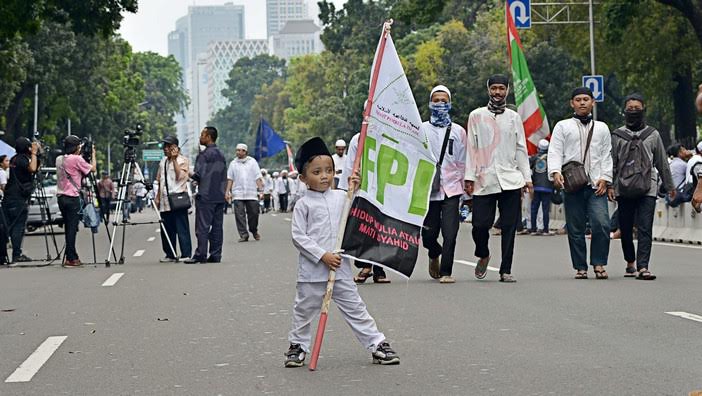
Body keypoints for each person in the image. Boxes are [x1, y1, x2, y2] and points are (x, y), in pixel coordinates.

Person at [284, 136, 399, 368]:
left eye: (328, 170)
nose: (324, 176)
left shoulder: (341, 198)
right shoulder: (303, 204)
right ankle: (297, 346)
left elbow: (357, 208)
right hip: (312, 274)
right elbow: (299, 237)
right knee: (304, 311)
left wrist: (356, 187)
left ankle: (377, 344)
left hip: (341, 271)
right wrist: (322, 255)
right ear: (303, 178)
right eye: (316, 172)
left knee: (356, 309)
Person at [464, 75, 532, 283]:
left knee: (509, 226)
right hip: (484, 178)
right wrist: (469, 176)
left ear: (507, 90)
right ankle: (483, 253)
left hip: (511, 178)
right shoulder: (476, 116)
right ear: (488, 90)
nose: (497, 92)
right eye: (494, 88)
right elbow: (471, 147)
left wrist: (527, 178)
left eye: (501, 88)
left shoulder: (513, 117)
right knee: (479, 225)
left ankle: (506, 269)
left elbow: (521, 148)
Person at [548, 87, 613, 280]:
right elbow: (555, 150)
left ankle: (599, 263)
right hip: (572, 183)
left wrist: (606, 178)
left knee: (602, 223)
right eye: (578, 99)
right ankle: (580, 267)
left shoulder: (602, 128)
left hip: (596, 185)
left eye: (586, 99)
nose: (582, 103)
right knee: (575, 227)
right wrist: (555, 172)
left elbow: (607, 154)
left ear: (593, 102)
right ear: (572, 103)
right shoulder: (562, 126)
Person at [609, 93, 674, 281]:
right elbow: (612, 162)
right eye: (630, 109)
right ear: (624, 111)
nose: (634, 112)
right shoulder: (617, 135)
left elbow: (662, 161)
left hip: (648, 188)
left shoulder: (653, 135)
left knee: (645, 227)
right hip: (623, 187)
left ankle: (643, 266)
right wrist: (611, 186)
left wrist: (669, 185)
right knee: (626, 227)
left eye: (637, 108)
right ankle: (630, 261)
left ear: (643, 110)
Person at [417, 85, 467, 284]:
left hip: (452, 188)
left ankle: (446, 271)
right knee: (428, 234)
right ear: (430, 103)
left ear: (450, 103)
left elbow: (463, 162)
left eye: (444, 101)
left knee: (450, 232)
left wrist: (466, 194)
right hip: (429, 190)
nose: (440, 104)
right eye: (436, 100)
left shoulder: (458, 131)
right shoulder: (421, 130)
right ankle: (433, 252)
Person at [185, 126, 227, 264]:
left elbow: (199, 175)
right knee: (217, 227)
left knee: (202, 227)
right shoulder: (221, 154)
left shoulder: (203, 155)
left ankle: (200, 254)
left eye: (202, 135)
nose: (200, 137)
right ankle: (216, 254)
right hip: (219, 195)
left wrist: (188, 173)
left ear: (208, 137)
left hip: (206, 195)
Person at [56, 135, 96, 267]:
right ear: (76, 147)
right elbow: (92, 169)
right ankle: (71, 258)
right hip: (72, 198)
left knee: (69, 227)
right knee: (72, 229)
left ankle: (71, 255)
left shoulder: (59, 159)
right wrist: (93, 154)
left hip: (61, 197)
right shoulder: (77, 159)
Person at [154, 135, 192, 262]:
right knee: (167, 228)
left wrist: (175, 160)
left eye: (168, 146)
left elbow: (180, 177)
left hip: (178, 199)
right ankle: (170, 254)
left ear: (175, 147)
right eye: (165, 146)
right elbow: (160, 180)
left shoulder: (183, 160)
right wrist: (157, 196)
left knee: (182, 227)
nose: (165, 149)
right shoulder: (163, 161)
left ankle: (186, 253)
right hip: (165, 199)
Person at [3, 137, 41, 262]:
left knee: (7, 226)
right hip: (18, 198)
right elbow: (33, 169)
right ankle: (17, 254)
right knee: (18, 226)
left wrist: (36, 156)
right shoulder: (22, 159)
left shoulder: (14, 159)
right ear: (26, 148)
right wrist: (35, 153)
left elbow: (34, 167)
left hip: (9, 197)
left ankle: (3, 255)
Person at [225, 143, 263, 242]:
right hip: (237, 193)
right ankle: (243, 234)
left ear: (245, 152)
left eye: (240, 150)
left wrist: (261, 190)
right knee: (239, 215)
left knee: (254, 214)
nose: (237, 152)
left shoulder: (252, 162)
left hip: (251, 193)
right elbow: (230, 179)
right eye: (236, 150)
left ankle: (253, 230)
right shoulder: (233, 163)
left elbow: (257, 176)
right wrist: (227, 192)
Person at [529, 139, 554, 235]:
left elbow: (528, 168)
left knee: (534, 208)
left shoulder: (534, 158)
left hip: (536, 187)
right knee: (545, 209)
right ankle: (545, 229)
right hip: (547, 187)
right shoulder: (551, 159)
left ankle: (533, 229)